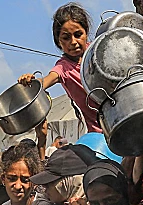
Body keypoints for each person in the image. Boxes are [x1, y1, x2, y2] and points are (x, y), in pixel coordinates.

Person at [18, 3, 100, 133]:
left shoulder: (99, 51)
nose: (73, 42)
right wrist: (29, 82)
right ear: (58, 41)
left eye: (78, 35)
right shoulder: (62, 68)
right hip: (100, 134)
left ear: (86, 33)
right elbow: (45, 81)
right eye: (66, 38)